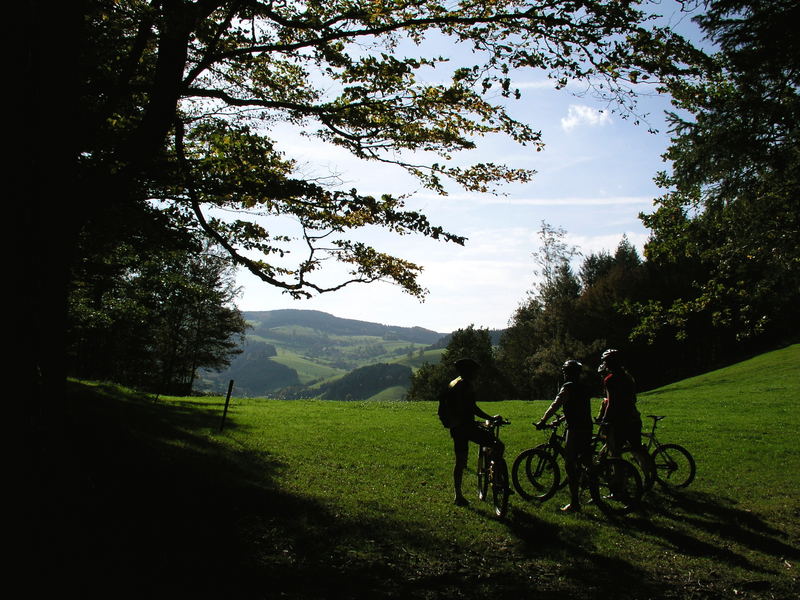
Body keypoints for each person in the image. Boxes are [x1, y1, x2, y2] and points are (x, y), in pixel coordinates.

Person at [535, 359, 593, 513]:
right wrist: (561, 419)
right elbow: (578, 408)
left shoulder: (567, 387)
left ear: (567, 373)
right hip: (587, 427)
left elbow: (555, 405)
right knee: (586, 461)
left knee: (570, 465)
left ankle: (575, 503)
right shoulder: (583, 387)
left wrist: (543, 421)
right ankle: (594, 493)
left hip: (575, 429)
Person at [445, 357, 504, 507]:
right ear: (468, 371)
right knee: (497, 445)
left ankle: (458, 495)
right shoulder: (465, 385)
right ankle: (496, 478)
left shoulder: (454, 383)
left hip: (456, 427)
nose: (476, 374)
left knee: (460, 461)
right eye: (474, 371)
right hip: (467, 427)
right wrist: (490, 417)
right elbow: (472, 408)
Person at [596, 348, 647, 463]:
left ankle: (619, 478)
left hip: (618, 421)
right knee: (636, 449)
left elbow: (611, 403)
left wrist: (604, 419)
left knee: (615, 453)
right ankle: (649, 474)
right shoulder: (628, 377)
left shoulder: (610, 380)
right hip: (633, 417)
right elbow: (633, 398)